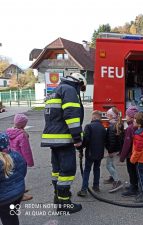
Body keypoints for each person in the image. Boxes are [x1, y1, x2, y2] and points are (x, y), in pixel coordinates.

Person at [41, 72, 87, 214]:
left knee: (57, 170)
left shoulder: (56, 90)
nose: (80, 90)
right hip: (64, 138)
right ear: (78, 82)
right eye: (81, 87)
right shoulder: (70, 90)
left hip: (52, 138)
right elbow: (72, 116)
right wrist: (78, 140)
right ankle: (64, 203)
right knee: (67, 170)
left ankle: (58, 197)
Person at [77, 110, 106, 197]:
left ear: (94, 117)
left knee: (87, 170)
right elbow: (105, 141)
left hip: (90, 153)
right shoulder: (103, 128)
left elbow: (86, 140)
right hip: (100, 154)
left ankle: (84, 189)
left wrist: (80, 148)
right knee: (97, 169)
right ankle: (96, 186)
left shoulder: (88, 126)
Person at [0, 132, 27, 225]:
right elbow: (23, 172)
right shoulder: (16, 154)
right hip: (17, 194)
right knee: (11, 217)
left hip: (3, 198)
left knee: (7, 219)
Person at [7, 113, 34, 201]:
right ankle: (20, 194)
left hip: (9, 158)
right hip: (20, 159)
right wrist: (29, 161)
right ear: (24, 124)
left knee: (13, 175)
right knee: (21, 175)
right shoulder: (22, 135)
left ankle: (18, 189)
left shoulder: (8, 132)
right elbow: (26, 150)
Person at [119, 105, 140, 197]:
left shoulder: (129, 129)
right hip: (136, 154)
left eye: (126, 115)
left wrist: (122, 156)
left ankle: (133, 188)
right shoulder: (137, 126)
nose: (125, 117)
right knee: (135, 170)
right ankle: (135, 185)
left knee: (131, 171)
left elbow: (126, 145)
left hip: (130, 155)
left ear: (131, 117)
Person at [104, 107, 124, 193]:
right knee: (111, 163)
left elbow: (112, 141)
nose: (107, 116)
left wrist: (110, 151)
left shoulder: (112, 126)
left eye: (108, 115)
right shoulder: (117, 124)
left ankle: (117, 181)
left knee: (108, 165)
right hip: (117, 148)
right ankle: (112, 178)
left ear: (112, 116)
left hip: (113, 150)